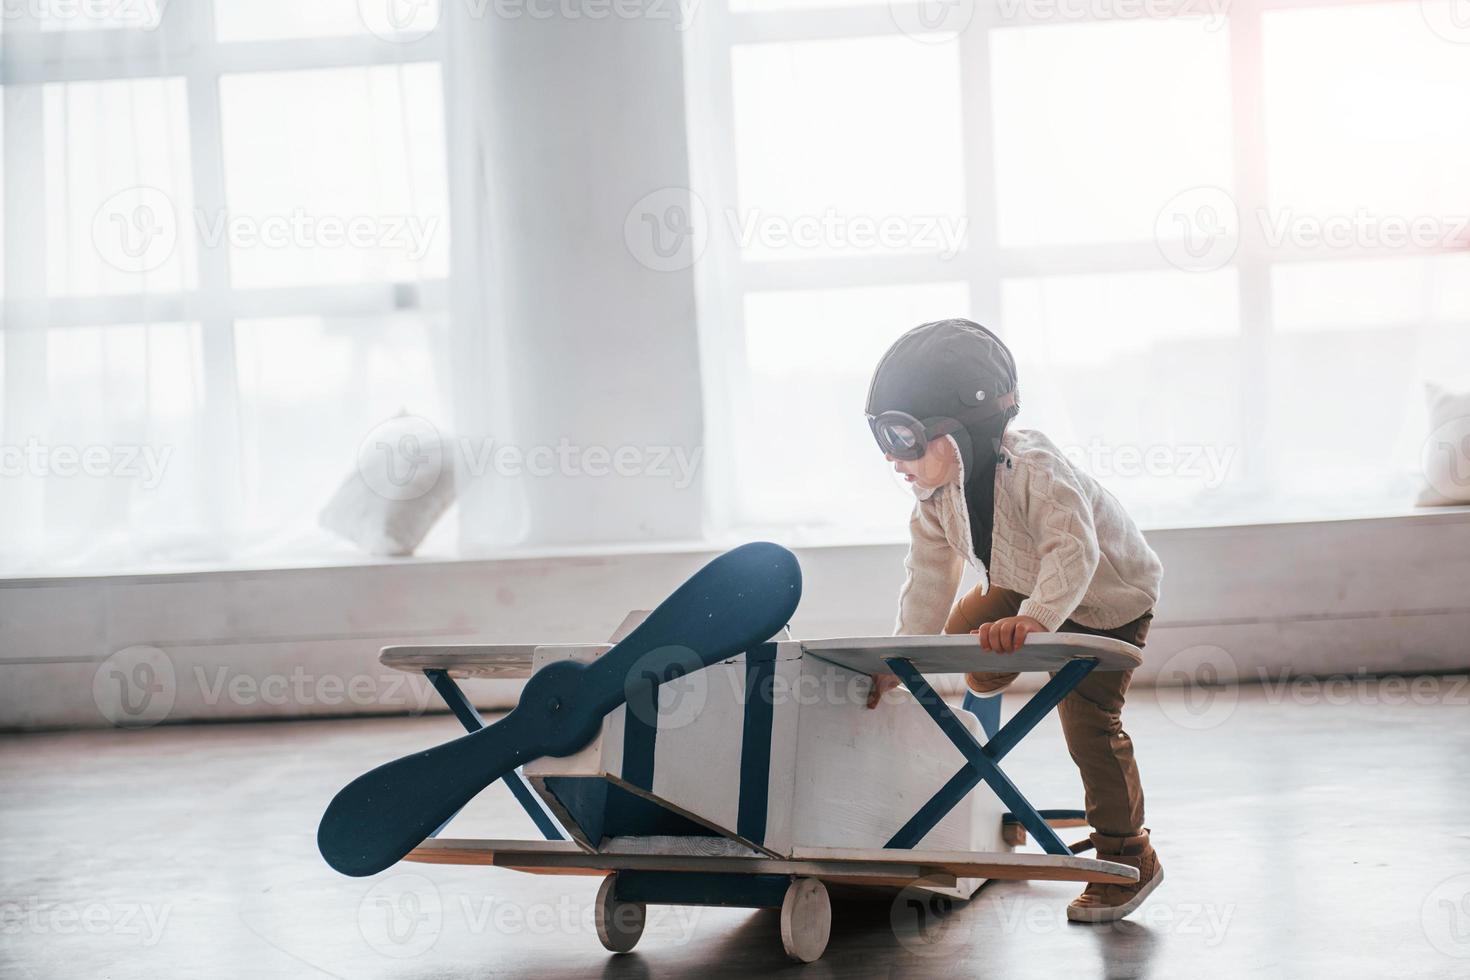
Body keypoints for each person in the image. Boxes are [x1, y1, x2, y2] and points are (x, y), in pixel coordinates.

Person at [863, 318, 1165, 923]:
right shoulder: (935, 494)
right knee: (958, 649)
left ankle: (1129, 858)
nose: (896, 459)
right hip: (1024, 584)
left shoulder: (1036, 472)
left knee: (1089, 724)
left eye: (907, 438)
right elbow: (928, 575)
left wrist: (1037, 622)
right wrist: (900, 659)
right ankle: (994, 682)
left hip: (1108, 601)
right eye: (883, 439)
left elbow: (1075, 551)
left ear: (965, 431)